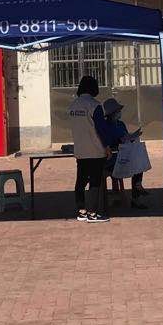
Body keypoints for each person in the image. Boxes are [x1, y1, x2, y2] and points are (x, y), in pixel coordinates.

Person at [68, 75, 109, 222]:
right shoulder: (95, 105)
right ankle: (93, 213)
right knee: (95, 182)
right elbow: (101, 129)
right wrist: (107, 146)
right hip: (95, 150)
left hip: (80, 150)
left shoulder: (73, 106)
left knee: (80, 180)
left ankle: (81, 211)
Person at [98, 97, 148, 206]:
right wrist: (120, 141)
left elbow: (126, 137)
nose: (119, 113)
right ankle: (136, 189)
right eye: (117, 111)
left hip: (124, 156)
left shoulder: (121, 124)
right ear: (111, 113)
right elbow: (108, 143)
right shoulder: (105, 127)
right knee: (136, 163)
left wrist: (132, 137)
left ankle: (136, 193)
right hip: (113, 159)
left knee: (138, 161)